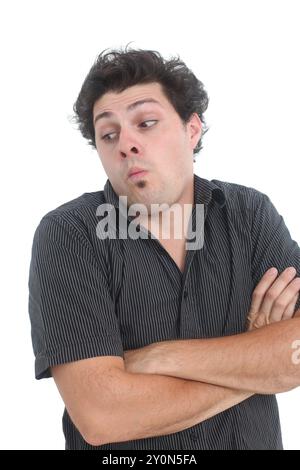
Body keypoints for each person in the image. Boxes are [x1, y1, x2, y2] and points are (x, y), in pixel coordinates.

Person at [28, 46, 300, 450]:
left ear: (192, 130)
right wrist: (256, 361)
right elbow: (103, 416)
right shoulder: (70, 235)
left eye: (147, 122)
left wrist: (159, 357)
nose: (126, 144)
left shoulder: (249, 215)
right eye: (109, 134)